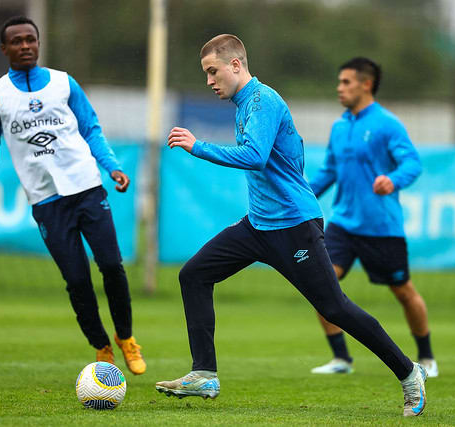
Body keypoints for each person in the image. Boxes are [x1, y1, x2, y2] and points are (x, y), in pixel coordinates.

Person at [154, 34, 427, 417]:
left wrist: (197, 146)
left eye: (213, 71)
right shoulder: (244, 104)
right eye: (206, 74)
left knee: (335, 307)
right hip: (258, 227)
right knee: (194, 275)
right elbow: (291, 150)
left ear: (236, 65)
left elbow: (255, 155)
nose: (209, 81)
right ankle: (204, 373)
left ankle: (409, 372)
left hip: (293, 227)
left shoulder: (263, 100)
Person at [0, 16, 146, 375]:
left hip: (87, 187)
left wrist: (112, 167)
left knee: (111, 264)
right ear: (4, 49)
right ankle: (102, 346)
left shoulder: (63, 83)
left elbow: (91, 128)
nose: (25, 46)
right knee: (76, 279)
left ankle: (126, 337)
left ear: (38, 42)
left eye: (31, 39)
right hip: (46, 201)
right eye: (17, 41)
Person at [308, 57, 438, 378]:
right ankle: (341, 359)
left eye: (346, 82)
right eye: (339, 82)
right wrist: (300, 196)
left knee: (404, 292)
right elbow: (328, 172)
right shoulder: (340, 126)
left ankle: (427, 357)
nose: (339, 88)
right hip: (342, 224)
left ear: (366, 84)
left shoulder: (387, 124)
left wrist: (393, 180)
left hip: (381, 228)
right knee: (321, 286)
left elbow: (412, 163)